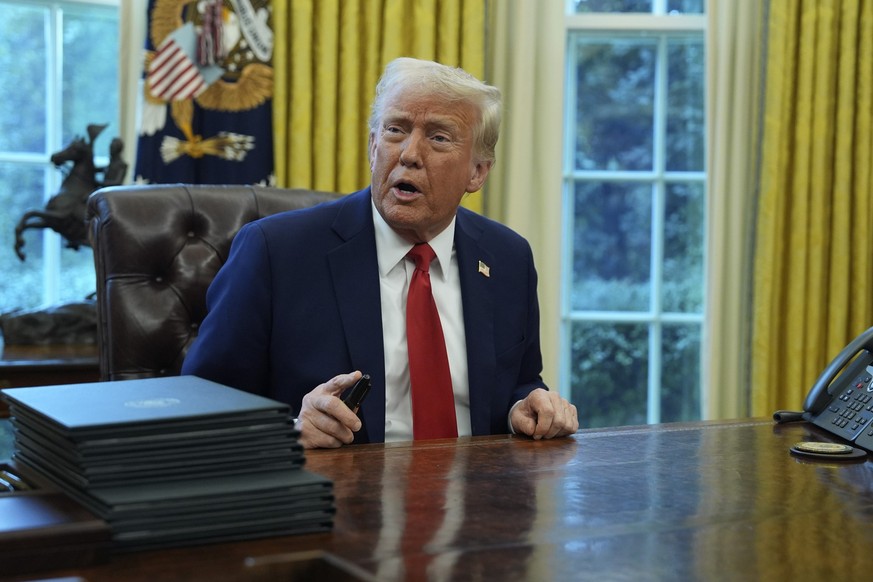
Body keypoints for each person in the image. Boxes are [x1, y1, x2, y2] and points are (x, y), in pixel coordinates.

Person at [181, 57, 579, 448]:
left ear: (477, 171)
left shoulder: (508, 258)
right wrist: (291, 430)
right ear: (373, 146)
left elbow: (519, 383)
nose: (409, 153)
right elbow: (200, 406)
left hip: (476, 500)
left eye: (439, 137)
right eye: (395, 130)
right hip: (337, 502)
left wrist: (525, 408)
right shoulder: (276, 253)